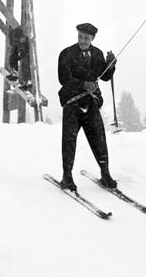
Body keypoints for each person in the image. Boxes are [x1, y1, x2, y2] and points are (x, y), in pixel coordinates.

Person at [58, 22, 117, 192]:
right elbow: (64, 79)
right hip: (72, 103)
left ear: (93, 38)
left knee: (99, 140)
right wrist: (83, 85)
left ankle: (105, 174)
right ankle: (67, 177)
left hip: (90, 103)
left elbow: (104, 77)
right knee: (69, 141)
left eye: (86, 38)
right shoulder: (67, 54)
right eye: (80, 37)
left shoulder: (98, 54)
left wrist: (110, 65)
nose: (82, 40)